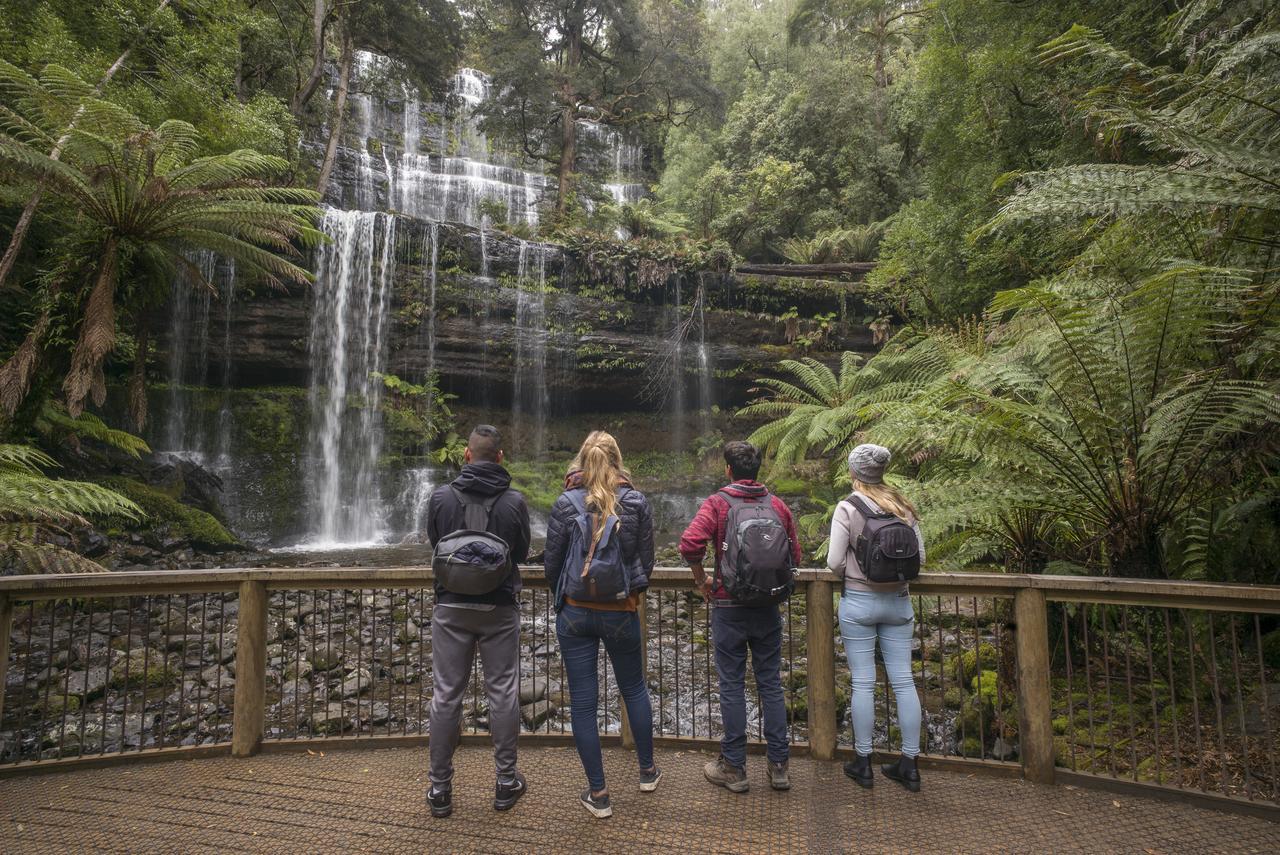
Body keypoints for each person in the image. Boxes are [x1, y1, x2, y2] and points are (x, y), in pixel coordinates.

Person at [544, 431, 659, 819]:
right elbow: (646, 561)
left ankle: (599, 793)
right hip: (620, 611)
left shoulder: (565, 503)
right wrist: (628, 594)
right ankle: (647, 772)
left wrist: (569, 593)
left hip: (575, 614)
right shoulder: (636, 502)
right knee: (634, 689)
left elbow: (552, 564)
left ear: (581, 461)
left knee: (583, 702)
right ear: (617, 459)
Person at [679, 440, 801, 793]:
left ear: (728, 469)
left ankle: (734, 766)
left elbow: (689, 544)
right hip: (767, 608)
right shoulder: (777, 505)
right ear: (758, 469)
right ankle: (779, 766)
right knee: (771, 684)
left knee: (732, 685)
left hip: (728, 607)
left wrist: (702, 579)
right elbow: (795, 554)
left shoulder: (718, 503)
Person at [424, 425, 532, 818]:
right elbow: (519, 551)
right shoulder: (514, 502)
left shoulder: (440, 497)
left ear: (466, 455)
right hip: (499, 609)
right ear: (500, 457)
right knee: (502, 691)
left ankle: (439, 788)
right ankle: (505, 782)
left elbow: (434, 545)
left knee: (446, 694)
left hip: (450, 608)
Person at [828, 443, 925, 792]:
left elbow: (833, 561)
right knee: (903, 682)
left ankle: (863, 763)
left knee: (863, 683)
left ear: (855, 473)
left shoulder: (848, 507)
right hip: (898, 603)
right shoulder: (902, 506)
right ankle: (910, 766)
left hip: (859, 603)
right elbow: (921, 558)